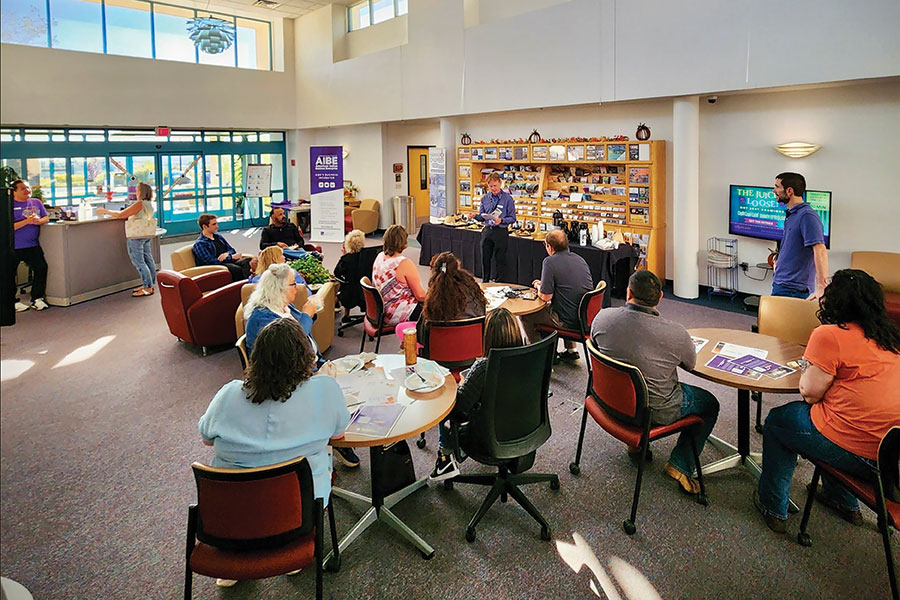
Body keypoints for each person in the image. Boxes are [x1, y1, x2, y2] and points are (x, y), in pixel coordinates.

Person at [198, 317, 351, 587]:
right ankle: (290, 546)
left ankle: (236, 557)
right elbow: (338, 436)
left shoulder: (228, 395)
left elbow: (207, 440)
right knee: (316, 468)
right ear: (306, 355)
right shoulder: (325, 390)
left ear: (256, 358)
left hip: (226, 519)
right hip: (298, 513)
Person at [754, 269, 900, 534]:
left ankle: (773, 506)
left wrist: (808, 367)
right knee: (835, 417)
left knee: (779, 422)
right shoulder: (888, 337)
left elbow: (810, 393)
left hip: (863, 453)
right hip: (892, 458)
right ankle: (844, 501)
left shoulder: (830, 335)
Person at [590, 270, 720, 496]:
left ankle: (635, 446)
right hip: (653, 411)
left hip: (606, 401)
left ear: (628, 293)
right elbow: (690, 364)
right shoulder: (676, 333)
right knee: (710, 403)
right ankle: (680, 465)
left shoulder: (601, 318)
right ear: (660, 297)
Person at [429, 307, 524, 481]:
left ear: (487, 337)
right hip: (525, 430)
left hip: (488, 438)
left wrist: (462, 384)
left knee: (446, 399)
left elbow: (459, 409)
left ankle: (445, 459)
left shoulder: (483, 369)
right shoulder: (531, 360)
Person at [520, 229, 593, 362]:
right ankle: (571, 350)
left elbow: (545, 297)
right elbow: (567, 285)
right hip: (584, 318)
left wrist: (538, 286)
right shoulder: (580, 259)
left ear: (549, 246)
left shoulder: (550, 262)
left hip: (566, 320)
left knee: (527, 315)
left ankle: (539, 356)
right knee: (567, 301)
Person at [394, 251, 487, 343]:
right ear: (458, 268)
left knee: (401, 328)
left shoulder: (432, 301)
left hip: (439, 351)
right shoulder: (472, 291)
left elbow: (422, 335)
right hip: (472, 346)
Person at [771, 172, 828, 300]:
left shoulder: (807, 216)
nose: (774, 190)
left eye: (777, 187)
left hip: (794, 289)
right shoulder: (792, 214)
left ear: (789, 191)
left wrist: (821, 287)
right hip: (782, 283)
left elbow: (820, 250)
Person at [96, 181, 158, 297]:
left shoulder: (139, 204)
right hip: (145, 234)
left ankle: (147, 287)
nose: (136, 191)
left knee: (139, 261)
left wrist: (106, 211)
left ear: (141, 191)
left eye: (137, 189)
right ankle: (149, 284)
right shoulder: (149, 204)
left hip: (136, 236)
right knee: (148, 259)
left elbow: (121, 215)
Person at [372, 224, 425, 327]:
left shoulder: (379, 256)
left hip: (380, 310)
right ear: (403, 243)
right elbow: (420, 296)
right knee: (435, 310)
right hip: (396, 313)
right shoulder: (404, 263)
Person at [11, 180, 49, 311]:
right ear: (14, 191)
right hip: (13, 246)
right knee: (9, 274)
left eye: (28, 188)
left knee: (41, 268)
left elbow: (46, 218)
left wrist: (38, 221)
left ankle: (37, 299)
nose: (27, 190)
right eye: (23, 189)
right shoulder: (8, 204)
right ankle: (12, 302)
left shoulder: (36, 202)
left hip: (32, 245)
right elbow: (8, 227)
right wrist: (27, 221)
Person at [475, 172, 516, 282]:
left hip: (501, 232)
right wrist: (474, 216)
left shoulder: (508, 199)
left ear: (500, 183)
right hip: (488, 231)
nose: (493, 188)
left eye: (495, 186)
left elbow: (513, 218)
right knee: (485, 258)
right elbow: (482, 216)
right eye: (491, 186)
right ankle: (485, 281)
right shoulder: (485, 198)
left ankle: (499, 283)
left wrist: (501, 220)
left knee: (500, 260)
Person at [192, 213, 252, 282]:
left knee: (247, 261)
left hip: (226, 261)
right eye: (214, 224)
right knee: (236, 269)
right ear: (205, 226)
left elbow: (231, 250)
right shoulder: (200, 244)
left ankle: (247, 284)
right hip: (216, 266)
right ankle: (241, 286)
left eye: (216, 223)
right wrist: (230, 257)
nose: (217, 226)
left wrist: (227, 254)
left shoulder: (218, 237)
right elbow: (209, 262)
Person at [333, 229, 367, 323]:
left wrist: (344, 255)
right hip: (364, 290)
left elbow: (337, 273)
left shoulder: (346, 259)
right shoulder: (367, 256)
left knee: (342, 287)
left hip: (349, 292)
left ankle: (331, 313)